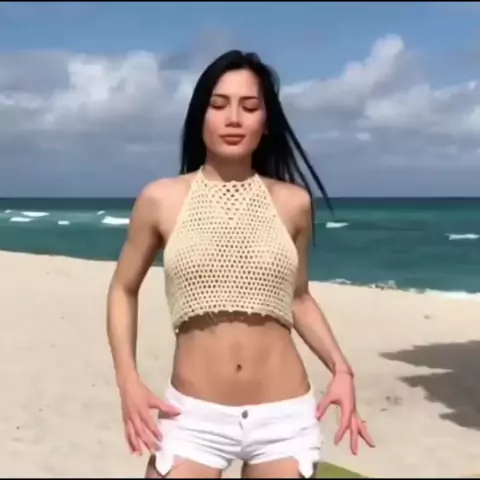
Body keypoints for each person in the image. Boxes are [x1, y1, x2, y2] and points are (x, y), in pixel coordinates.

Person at [106, 50, 375, 479]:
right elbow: (123, 288)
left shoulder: (293, 203)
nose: (233, 118)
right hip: (193, 418)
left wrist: (341, 369)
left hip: (283, 418)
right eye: (219, 105)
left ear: (265, 122)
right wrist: (128, 381)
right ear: (200, 116)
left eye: (249, 107)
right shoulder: (160, 199)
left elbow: (298, 298)